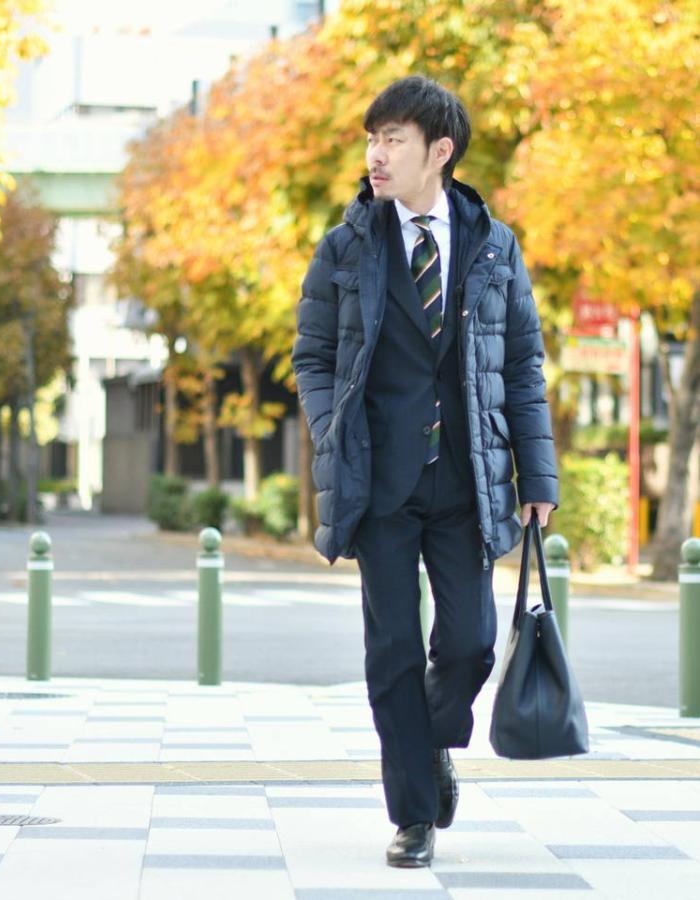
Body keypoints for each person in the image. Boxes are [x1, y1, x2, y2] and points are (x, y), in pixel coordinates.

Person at [291, 75, 558, 868]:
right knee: (393, 653)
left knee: (471, 645)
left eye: (393, 140)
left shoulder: (493, 245)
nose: (376, 155)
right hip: (378, 481)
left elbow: (521, 365)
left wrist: (538, 477)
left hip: (468, 478)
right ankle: (413, 815)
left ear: (440, 151)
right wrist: (331, 429)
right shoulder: (345, 246)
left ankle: (430, 738)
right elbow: (312, 355)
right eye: (372, 140)